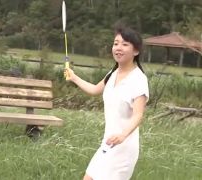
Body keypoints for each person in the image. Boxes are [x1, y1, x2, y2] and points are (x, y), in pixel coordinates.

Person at [64, 24, 149, 180]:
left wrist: (123, 135)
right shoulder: (113, 73)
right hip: (108, 143)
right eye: (116, 43)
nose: (118, 48)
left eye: (125, 44)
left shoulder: (139, 80)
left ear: (136, 51)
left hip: (124, 147)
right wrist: (73, 77)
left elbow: (138, 115)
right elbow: (95, 89)